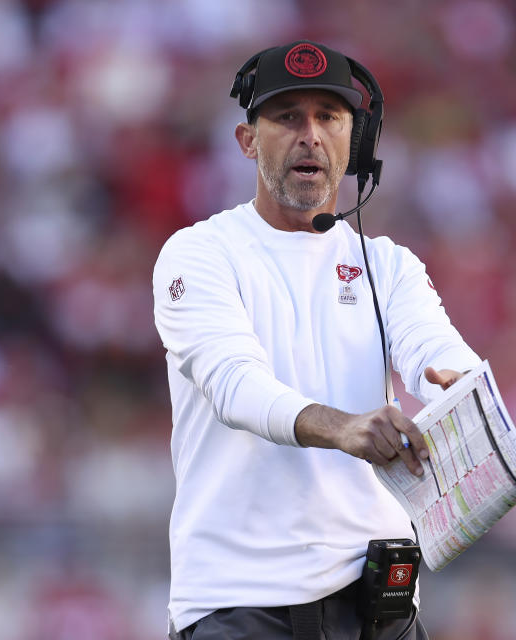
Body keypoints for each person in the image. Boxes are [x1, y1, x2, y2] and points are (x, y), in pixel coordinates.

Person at [152, 40, 481, 640]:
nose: (310, 134)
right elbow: (235, 386)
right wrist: (345, 427)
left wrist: (458, 382)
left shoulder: (389, 265)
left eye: (329, 116)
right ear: (248, 141)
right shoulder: (198, 253)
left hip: (380, 607)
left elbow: (433, 348)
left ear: (355, 140)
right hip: (241, 606)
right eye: (287, 117)